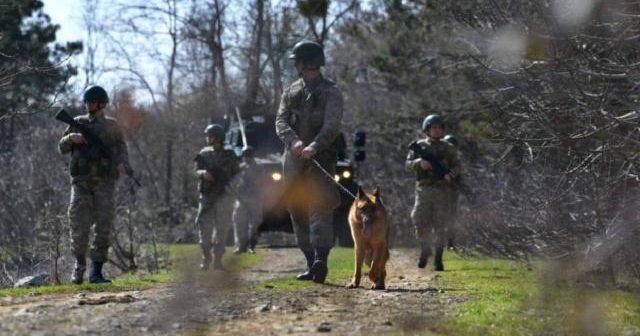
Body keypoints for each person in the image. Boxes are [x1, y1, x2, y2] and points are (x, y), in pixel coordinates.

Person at [275, 40, 343, 283]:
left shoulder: (331, 92)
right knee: (297, 209)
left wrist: (315, 146)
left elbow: (332, 125)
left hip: (320, 158)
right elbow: (280, 122)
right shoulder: (291, 91)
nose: (296, 65)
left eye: (298, 61)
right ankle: (309, 262)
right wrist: (294, 142)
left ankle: (320, 261)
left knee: (320, 207)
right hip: (293, 160)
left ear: (304, 63)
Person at [58, 85, 129, 284]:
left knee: (103, 228)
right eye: (87, 101)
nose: (88, 104)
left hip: (105, 183)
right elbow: (61, 147)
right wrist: (71, 138)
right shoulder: (77, 123)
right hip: (81, 184)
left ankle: (96, 272)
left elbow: (122, 149)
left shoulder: (112, 126)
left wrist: (124, 165)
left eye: (92, 101)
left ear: (102, 103)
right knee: (79, 226)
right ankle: (79, 266)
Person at [405, 114, 461, 271]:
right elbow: (407, 164)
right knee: (419, 219)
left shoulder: (448, 148)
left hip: (443, 190)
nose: (436, 130)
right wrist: (419, 163)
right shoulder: (420, 146)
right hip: (423, 189)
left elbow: (458, 166)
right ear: (427, 130)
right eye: (433, 127)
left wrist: (451, 174)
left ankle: (438, 258)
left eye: (439, 127)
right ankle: (425, 247)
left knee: (440, 225)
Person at [194, 124, 239, 270]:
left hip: (224, 196)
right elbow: (196, 170)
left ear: (218, 137)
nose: (208, 138)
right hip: (207, 195)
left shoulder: (229, 154)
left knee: (222, 228)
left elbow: (237, 174)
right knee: (204, 227)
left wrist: (231, 185)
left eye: (210, 135)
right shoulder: (204, 153)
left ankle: (218, 259)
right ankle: (206, 257)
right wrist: (203, 174)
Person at [232, 146, 264, 254]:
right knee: (239, 223)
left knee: (255, 224)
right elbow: (234, 181)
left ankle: (252, 245)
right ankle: (241, 246)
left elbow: (260, 181)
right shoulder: (240, 168)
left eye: (248, 156)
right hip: (241, 198)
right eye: (245, 157)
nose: (246, 159)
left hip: (255, 198)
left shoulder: (258, 167)